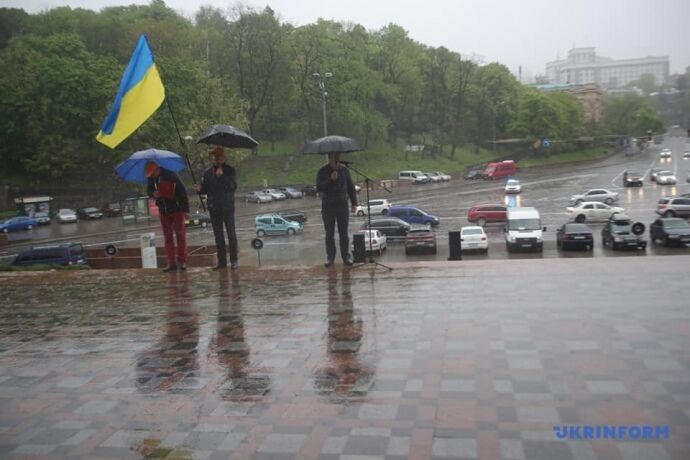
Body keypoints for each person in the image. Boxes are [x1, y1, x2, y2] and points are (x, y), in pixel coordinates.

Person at [197, 147, 239, 270]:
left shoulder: (230, 170)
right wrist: (199, 189)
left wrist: (222, 176)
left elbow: (232, 187)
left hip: (227, 207)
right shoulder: (208, 172)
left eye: (218, 157)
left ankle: (234, 260)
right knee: (218, 235)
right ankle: (222, 261)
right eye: (214, 157)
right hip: (214, 207)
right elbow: (205, 189)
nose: (215, 159)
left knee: (231, 233)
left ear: (223, 158)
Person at [145, 161, 190, 272]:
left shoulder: (171, 175)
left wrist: (185, 210)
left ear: (157, 169)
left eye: (152, 173)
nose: (151, 175)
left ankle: (182, 261)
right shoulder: (151, 179)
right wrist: (153, 194)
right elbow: (149, 191)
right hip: (163, 211)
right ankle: (171, 263)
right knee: (168, 237)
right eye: (149, 174)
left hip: (177, 210)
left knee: (180, 236)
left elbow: (183, 192)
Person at [316, 152, 358, 267]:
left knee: (343, 233)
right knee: (329, 234)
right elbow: (319, 187)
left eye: (338, 159)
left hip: (342, 206)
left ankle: (346, 257)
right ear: (329, 159)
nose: (336, 161)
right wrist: (330, 179)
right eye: (334, 159)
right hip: (328, 207)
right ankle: (330, 258)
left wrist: (354, 203)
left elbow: (351, 187)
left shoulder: (344, 170)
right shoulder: (322, 171)